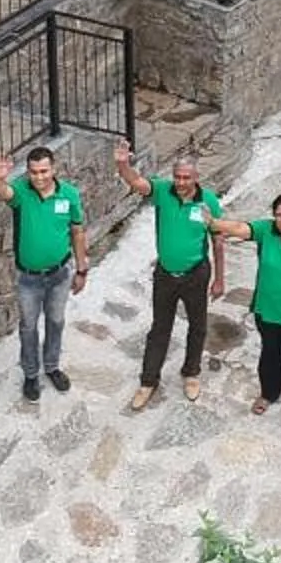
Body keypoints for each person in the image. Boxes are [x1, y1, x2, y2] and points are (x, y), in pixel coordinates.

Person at [114, 137, 224, 410]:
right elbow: (137, 183)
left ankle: (191, 373)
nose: (182, 182)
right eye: (178, 176)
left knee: (197, 326)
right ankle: (148, 381)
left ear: (197, 177)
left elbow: (218, 242)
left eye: (187, 177)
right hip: (165, 275)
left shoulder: (208, 202)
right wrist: (122, 164)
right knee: (159, 328)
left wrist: (220, 278)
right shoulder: (163, 191)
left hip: (196, 274)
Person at [202, 193, 281, 426]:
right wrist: (213, 223)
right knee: (269, 355)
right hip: (266, 311)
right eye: (279, 215)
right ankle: (269, 393)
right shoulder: (266, 231)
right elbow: (240, 228)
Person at [0, 144, 88, 402]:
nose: (39, 177)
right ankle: (31, 374)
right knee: (28, 327)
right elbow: (5, 193)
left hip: (60, 274)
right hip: (29, 278)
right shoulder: (22, 193)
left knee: (56, 321)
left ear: (53, 169)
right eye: (34, 172)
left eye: (44, 171)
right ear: (28, 173)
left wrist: (81, 268)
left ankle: (52, 366)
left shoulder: (69, 195)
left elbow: (77, 232)